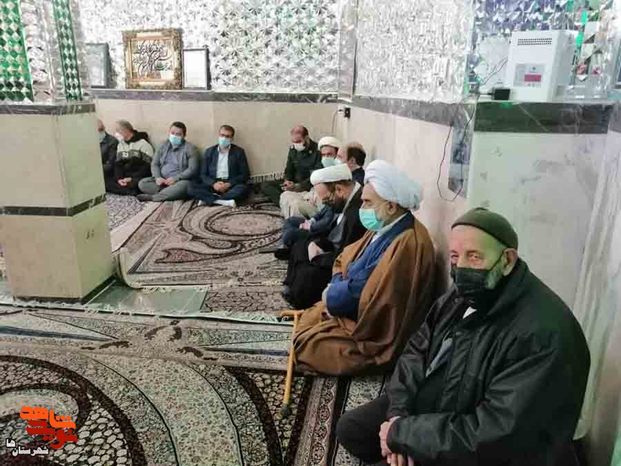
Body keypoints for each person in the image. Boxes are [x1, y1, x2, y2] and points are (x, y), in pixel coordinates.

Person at [336, 208, 591, 466]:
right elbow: (417, 350)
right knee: (351, 429)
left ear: (507, 260)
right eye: (456, 257)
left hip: (489, 447)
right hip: (443, 405)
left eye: (475, 256)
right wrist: (398, 416)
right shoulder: (467, 292)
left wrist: (404, 435)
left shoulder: (543, 335)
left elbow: (496, 433)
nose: (462, 267)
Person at [290, 160, 435, 375]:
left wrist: (334, 294)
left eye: (367, 202)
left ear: (391, 206)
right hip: (347, 295)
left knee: (308, 347)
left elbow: (374, 295)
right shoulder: (385, 225)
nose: (362, 208)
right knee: (309, 319)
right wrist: (337, 285)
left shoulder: (409, 243)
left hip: (371, 329)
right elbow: (345, 258)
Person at [282, 164, 365, 309]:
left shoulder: (357, 211)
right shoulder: (346, 200)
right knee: (301, 245)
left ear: (339, 189)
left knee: (309, 272)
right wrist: (317, 244)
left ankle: (299, 301)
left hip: (344, 264)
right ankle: (292, 288)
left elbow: (348, 255)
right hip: (334, 249)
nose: (328, 206)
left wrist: (318, 258)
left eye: (327, 200)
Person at [280, 136, 342, 219]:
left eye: (329, 154)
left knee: (296, 205)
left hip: (324, 204)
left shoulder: (341, 170)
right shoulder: (321, 165)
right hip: (311, 193)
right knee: (286, 195)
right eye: (324, 155)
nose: (326, 158)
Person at [188, 124, 250, 207]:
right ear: (218, 135)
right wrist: (213, 184)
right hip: (213, 184)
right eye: (222, 135)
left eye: (227, 136)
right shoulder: (209, 151)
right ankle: (223, 201)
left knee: (243, 189)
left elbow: (245, 174)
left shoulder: (239, 152)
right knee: (191, 188)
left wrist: (228, 184)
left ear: (232, 139)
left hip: (230, 184)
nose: (224, 138)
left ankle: (208, 199)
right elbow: (203, 174)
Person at [137, 121, 199, 202]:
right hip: (162, 181)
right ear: (169, 132)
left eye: (178, 134)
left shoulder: (191, 148)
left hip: (179, 181)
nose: (174, 136)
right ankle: (170, 193)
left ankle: (154, 197)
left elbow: (192, 169)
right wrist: (158, 177)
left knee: (185, 186)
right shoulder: (162, 145)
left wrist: (176, 178)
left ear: (184, 136)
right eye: (172, 133)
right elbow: (155, 164)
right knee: (142, 183)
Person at [260, 125, 320, 205]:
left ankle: (289, 202)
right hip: (293, 182)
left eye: (298, 142)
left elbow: (316, 176)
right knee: (265, 185)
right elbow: (289, 169)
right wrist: (287, 181)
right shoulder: (293, 149)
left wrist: (298, 186)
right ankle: (283, 203)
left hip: (307, 184)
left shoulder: (317, 151)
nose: (296, 144)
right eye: (294, 142)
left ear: (306, 138)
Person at [105, 120, 154, 195]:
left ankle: (127, 190)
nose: (116, 134)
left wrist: (131, 178)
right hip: (125, 176)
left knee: (139, 183)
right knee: (106, 181)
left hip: (137, 176)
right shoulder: (120, 145)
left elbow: (147, 167)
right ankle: (128, 190)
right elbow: (118, 164)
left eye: (117, 130)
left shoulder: (143, 144)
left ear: (126, 130)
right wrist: (119, 178)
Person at [97, 119, 118, 186]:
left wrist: (94, 168)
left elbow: (110, 165)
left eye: (101, 130)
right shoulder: (90, 141)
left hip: (105, 173)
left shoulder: (112, 141)